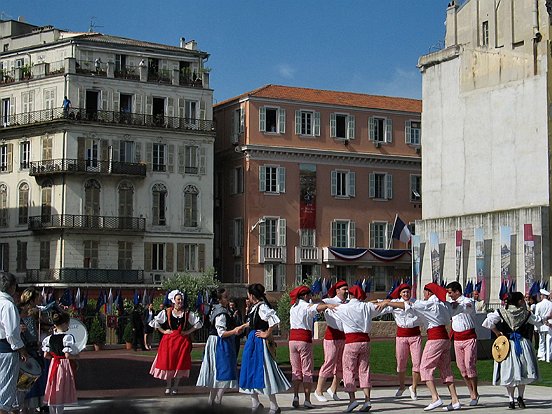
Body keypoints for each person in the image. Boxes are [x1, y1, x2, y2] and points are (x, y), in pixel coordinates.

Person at [378, 283, 460, 411]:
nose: (424, 295)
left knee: (424, 368)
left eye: (425, 292)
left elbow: (407, 305)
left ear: (429, 293)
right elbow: (457, 308)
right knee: (446, 369)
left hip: (435, 338)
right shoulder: (444, 304)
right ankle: (455, 400)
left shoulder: (429, 304)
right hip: (445, 338)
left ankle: (435, 398)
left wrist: (388, 303)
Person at [482, 291, 544, 409]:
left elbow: (488, 322)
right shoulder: (525, 313)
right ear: (520, 301)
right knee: (523, 371)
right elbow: (538, 321)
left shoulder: (501, 312)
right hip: (522, 344)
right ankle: (520, 397)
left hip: (507, 345)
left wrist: (497, 333)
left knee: (508, 372)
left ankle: (511, 399)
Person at [329, 285, 385, 413]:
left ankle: (352, 399)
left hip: (351, 342)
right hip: (365, 341)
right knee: (364, 370)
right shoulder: (366, 307)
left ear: (349, 295)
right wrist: (385, 302)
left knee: (348, 370)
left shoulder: (344, 307)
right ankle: (367, 399)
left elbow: (330, 309)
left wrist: (327, 306)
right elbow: (380, 308)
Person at [239, 283, 290, 414]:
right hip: (252, 342)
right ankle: (255, 403)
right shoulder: (255, 307)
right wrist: (244, 326)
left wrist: (266, 333)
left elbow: (274, 319)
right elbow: (254, 322)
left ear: (251, 295)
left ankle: (274, 406)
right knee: (248, 371)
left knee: (265, 372)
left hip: (259, 343)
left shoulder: (262, 307)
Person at [288, 286, 337, 409]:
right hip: (304, 340)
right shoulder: (306, 307)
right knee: (307, 371)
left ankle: (295, 395)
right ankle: (307, 399)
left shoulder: (293, 307)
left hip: (292, 340)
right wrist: (327, 306)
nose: (311, 297)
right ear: (305, 296)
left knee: (295, 370)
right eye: (309, 295)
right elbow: (316, 307)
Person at [197, 288, 248, 406]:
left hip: (218, 342)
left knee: (218, 372)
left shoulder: (219, 309)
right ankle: (217, 400)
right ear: (219, 299)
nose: (228, 298)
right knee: (224, 371)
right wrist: (235, 331)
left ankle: (213, 401)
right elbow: (221, 332)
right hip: (219, 343)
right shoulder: (221, 312)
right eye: (225, 297)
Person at [149, 290, 202, 395]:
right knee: (169, 363)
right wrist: (164, 331)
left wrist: (187, 332)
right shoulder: (167, 312)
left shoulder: (186, 313)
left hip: (182, 342)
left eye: (181, 299)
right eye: (178, 299)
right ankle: (168, 386)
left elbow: (198, 323)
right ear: (173, 300)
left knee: (180, 363)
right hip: (169, 341)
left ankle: (176, 386)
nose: (180, 301)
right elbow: (155, 322)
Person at [380, 283, 422, 401]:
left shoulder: (415, 302)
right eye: (403, 292)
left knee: (417, 363)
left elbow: (406, 305)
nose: (406, 294)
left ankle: (413, 388)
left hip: (415, 336)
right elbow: (380, 303)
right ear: (400, 293)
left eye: (408, 292)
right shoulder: (394, 304)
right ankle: (402, 386)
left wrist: (388, 302)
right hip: (401, 337)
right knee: (401, 363)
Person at [314, 280, 348, 403]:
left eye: (347, 289)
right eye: (344, 289)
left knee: (342, 364)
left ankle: (333, 389)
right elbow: (316, 303)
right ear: (337, 290)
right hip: (331, 337)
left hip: (344, 337)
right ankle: (318, 390)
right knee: (329, 362)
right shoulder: (329, 301)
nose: (346, 291)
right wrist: (324, 303)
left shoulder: (347, 303)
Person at [446, 281, 479, 406]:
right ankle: (471, 391)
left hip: (469, 337)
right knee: (462, 369)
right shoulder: (451, 304)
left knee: (469, 365)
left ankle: (475, 393)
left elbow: (466, 308)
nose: (449, 295)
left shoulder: (468, 301)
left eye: (450, 293)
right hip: (457, 339)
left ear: (457, 292)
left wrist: (455, 305)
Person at [0, 271, 29, 414]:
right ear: (12, 287)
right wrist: (21, 349)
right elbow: (11, 333)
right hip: (5, 351)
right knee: (4, 393)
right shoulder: (7, 305)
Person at [42, 311, 79, 414]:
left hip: (54, 363)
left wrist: (54, 357)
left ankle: (52, 411)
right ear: (64, 324)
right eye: (68, 323)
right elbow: (67, 355)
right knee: (61, 388)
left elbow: (46, 355)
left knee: (53, 387)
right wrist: (76, 356)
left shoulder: (49, 338)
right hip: (63, 365)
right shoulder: (67, 338)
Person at [18, 288, 46, 414]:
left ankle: (32, 408)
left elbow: (35, 330)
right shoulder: (18, 311)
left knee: (34, 383)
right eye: (37, 298)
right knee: (24, 384)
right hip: (24, 351)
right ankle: (22, 407)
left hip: (34, 350)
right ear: (31, 299)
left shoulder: (34, 313)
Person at [535, 288, 552, 362]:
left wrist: (536, 327)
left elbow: (536, 317)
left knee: (541, 341)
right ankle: (549, 357)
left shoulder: (538, 305)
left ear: (543, 295)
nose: (540, 296)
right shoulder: (551, 303)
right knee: (549, 340)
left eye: (541, 295)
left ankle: (542, 356)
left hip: (541, 324)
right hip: (549, 323)